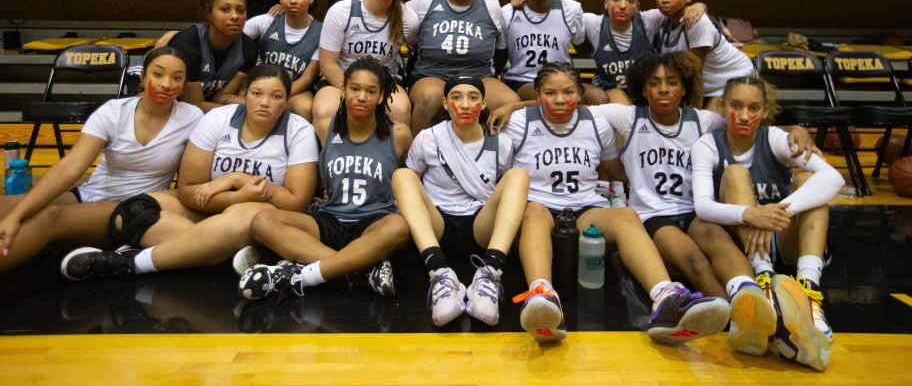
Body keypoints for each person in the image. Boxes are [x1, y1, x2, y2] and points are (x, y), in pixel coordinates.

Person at [595, 52, 817, 360]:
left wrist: (797, 129)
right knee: (696, 262)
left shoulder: (704, 120)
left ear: (684, 88)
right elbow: (569, 106)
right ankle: (748, 323)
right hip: (655, 217)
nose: (663, 89)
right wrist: (516, 105)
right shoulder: (629, 117)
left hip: (698, 210)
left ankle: (752, 298)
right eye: (654, 83)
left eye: (671, 82)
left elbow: (751, 121)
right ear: (643, 89)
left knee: (722, 246)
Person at [501, 62, 730, 345]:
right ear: (537, 96)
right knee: (533, 212)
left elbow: (613, 170)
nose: (560, 100)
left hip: (585, 205)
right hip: (539, 204)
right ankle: (541, 295)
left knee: (624, 216)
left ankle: (665, 296)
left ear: (580, 93)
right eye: (550, 93)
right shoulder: (521, 121)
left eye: (568, 91)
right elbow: (504, 175)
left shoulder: (596, 123)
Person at [0, 48, 202, 288]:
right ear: (143, 77)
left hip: (128, 210)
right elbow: (70, 167)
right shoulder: (114, 111)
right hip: (88, 196)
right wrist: (14, 216)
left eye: (177, 78)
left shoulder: (192, 118)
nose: (167, 84)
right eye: (158, 74)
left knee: (49, 219)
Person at [58, 64, 319, 281]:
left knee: (244, 216)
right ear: (245, 94)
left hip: (256, 214)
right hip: (207, 209)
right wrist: (233, 197)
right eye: (257, 93)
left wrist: (236, 181)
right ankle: (218, 251)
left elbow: (296, 203)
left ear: (286, 101)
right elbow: (189, 190)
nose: (264, 102)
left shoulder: (298, 130)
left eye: (276, 96)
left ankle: (130, 261)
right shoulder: (219, 119)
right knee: (132, 211)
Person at [691, 76, 841, 370]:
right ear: (722, 107)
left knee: (809, 182)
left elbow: (834, 178)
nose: (745, 116)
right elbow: (702, 206)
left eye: (753, 108)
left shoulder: (775, 138)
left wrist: (775, 213)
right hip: (744, 244)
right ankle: (764, 283)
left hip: (780, 238)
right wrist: (751, 215)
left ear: (765, 111)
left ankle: (808, 292)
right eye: (736, 106)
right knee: (734, 174)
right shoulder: (707, 145)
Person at [238, 57, 412, 302]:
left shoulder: (400, 134)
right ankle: (359, 269)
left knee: (399, 227)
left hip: (374, 222)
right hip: (329, 218)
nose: (361, 96)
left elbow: (409, 186)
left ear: (382, 96)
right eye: (355, 88)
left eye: (370, 91)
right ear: (343, 90)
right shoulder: (323, 127)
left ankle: (303, 273)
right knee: (263, 221)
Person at [392, 75, 529, 326]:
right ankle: (440, 274)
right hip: (438, 225)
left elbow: (504, 191)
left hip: (480, 226)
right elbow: (413, 183)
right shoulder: (428, 138)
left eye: (473, 97)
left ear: (484, 103)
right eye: (456, 97)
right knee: (402, 175)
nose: (465, 104)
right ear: (445, 104)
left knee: (518, 175)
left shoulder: (501, 142)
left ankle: (489, 274)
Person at [406, 0, 519, 134]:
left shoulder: (491, 5)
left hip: (479, 76)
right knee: (429, 98)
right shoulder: (426, 2)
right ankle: (416, 158)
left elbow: (500, 49)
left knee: (511, 101)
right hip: (433, 75)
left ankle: (496, 155)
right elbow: (397, 16)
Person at [313, 0, 417, 127]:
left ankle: (390, 154)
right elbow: (327, 64)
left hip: (385, 81)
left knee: (401, 110)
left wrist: (373, 93)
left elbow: (412, 47)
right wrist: (353, 91)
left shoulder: (408, 19)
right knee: (325, 110)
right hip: (341, 77)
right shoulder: (341, 11)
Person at [501, 0, 605, 105]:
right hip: (523, 80)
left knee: (600, 98)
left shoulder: (571, 9)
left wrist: (575, 79)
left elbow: (580, 45)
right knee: (553, 98)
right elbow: (500, 55)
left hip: (562, 79)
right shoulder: (508, 12)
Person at [244, 0, 324, 122]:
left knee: (305, 107)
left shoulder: (322, 33)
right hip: (260, 85)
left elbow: (308, 78)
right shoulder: (266, 22)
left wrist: (278, 95)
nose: (293, 0)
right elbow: (231, 37)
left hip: (295, 89)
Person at [653, 0, 754, 105]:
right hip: (709, 89)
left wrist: (694, 116)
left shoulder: (698, 23)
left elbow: (695, 75)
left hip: (736, 80)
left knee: (708, 124)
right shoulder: (660, 22)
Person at [167, 0, 260, 111]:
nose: (235, 16)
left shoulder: (249, 48)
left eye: (240, 10)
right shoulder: (187, 44)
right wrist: (240, 114)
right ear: (208, 13)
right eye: (225, 9)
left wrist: (245, 104)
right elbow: (195, 107)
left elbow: (221, 97)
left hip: (209, 109)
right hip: (174, 108)